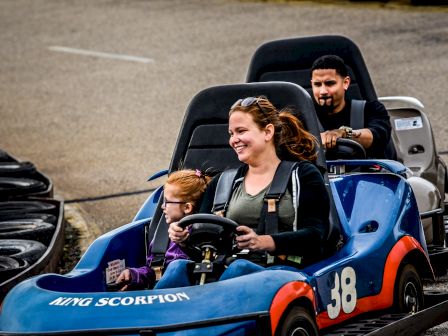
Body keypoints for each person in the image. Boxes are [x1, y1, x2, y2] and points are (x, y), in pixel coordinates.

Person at [155, 96, 330, 289]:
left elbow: (316, 236)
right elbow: (203, 250)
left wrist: (263, 241)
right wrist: (185, 240)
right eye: (231, 133)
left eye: (241, 131)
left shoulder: (303, 175)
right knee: (178, 267)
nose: (233, 140)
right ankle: (154, 317)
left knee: (239, 269)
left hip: (284, 275)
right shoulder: (222, 183)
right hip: (227, 272)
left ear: (267, 132)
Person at [114, 169, 211, 290]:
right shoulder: (161, 236)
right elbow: (153, 271)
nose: (162, 206)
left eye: (167, 202)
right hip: (163, 294)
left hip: (193, 293)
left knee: (178, 266)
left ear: (187, 207)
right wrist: (134, 275)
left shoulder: (205, 235)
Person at [310, 55, 391, 159]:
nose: (323, 91)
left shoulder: (372, 109)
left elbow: (377, 137)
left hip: (364, 173)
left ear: (345, 83)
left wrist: (342, 133)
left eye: (329, 83)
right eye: (317, 85)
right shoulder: (301, 116)